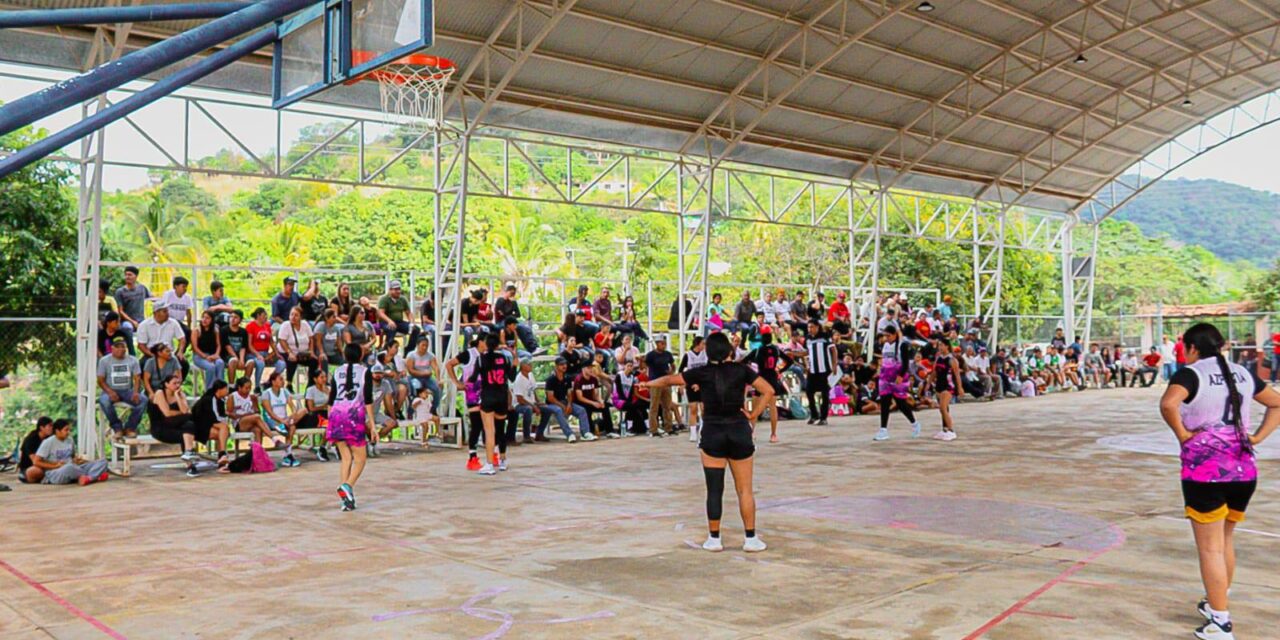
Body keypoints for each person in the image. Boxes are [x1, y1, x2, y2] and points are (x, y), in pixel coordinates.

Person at [1158, 323, 1280, 640]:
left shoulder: (1191, 374)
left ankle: (1221, 622)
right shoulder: (1242, 373)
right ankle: (1217, 603)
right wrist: (1257, 437)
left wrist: (1184, 434)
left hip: (1206, 472)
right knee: (1224, 539)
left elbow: (1169, 404)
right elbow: (1276, 403)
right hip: (1243, 469)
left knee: (1210, 548)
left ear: (1191, 347)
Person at [644, 332, 774, 553]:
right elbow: (768, 391)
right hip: (739, 431)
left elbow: (668, 380)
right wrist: (753, 415)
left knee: (714, 489)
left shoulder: (701, 373)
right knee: (745, 490)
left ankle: (714, 538)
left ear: (708, 352)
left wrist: (647, 383)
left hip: (713, 432)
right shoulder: (742, 370)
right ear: (729, 351)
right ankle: (750, 538)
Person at [329, 343, 375, 511]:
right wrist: (372, 424)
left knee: (346, 458)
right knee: (361, 459)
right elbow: (368, 399)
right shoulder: (364, 372)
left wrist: (330, 420)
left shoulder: (337, 371)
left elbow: (331, 398)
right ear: (360, 355)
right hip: (353, 416)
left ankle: (346, 500)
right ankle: (347, 486)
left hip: (336, 414)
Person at [474, 333, 516, 475]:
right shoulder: (503, 358)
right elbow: (512, 377)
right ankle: (503, 460)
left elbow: (473, 377)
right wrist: (515, 361)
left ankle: (490, 463)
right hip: (502, 396)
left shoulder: (481, 359)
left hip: (488, 397)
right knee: (500, 429)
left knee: (489, 432)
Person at [147, 373, 204, 477]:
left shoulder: (180, 394)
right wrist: (183, 413)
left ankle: (190, 463)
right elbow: (167, 413)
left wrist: (178, 396)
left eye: (179, 383)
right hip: (160, 429)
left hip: (175, 426)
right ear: (166, 384)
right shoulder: (160, 393)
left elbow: (184, 410)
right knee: (190, 419)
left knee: (189, 427)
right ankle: (190, 455)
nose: (177, 385)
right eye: (174, 383)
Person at [874, 322, 923, 441]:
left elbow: (905, 363)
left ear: (894, 335)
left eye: (888, 335)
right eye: (885, 336)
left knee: (901, 403)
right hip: (885, 377)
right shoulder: (884, 346)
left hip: (897, 376)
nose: (886, 338)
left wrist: (901, 375)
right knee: (885, 402)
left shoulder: (902, 345)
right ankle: (883, 429)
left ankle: (914, 423)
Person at [29, 419, 109, 486]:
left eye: (69, 430)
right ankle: (95, 476)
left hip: (74, 468)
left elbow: (72, 457)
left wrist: (77, 460)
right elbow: (36, 461)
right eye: (66, 430)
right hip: (56, 472)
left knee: (103, 462)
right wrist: (54, 466)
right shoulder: (48, 442)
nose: (68, 432)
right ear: (57, 431)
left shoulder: (70, 440)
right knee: (69, 467)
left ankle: (89, 478)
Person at [747, 327, 792, 443]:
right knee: (773, 407)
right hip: (772, 379)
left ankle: (751, 432)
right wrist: (780, 370)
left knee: (756, 407)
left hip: (760, 379)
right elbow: (789, 361)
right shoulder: (776, 350)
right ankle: (773, 434)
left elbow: (744, 361)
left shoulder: (758, 350)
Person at [97, 337, 147, 438]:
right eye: (117, 347)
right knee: (104, 401)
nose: (120, 349)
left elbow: (137, 378)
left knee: (143, 400)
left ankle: (130, 427)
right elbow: (100, 380)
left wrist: (136, 392)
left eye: (123, 347)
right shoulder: (104, 361)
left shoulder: (133, 360)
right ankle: (117, 428)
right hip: (110, 389)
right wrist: (110, 392)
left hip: (127, 390)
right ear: (112, 348)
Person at [537, 356, 592, 442]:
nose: (564, 366)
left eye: (565, 364)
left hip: (565, 402)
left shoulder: (567, 378)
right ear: (556, 366)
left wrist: (569, 404)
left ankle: (585, 433)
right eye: (561, 364)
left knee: (581, 410)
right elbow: (550, 398)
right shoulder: (551, 379)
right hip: (552, 404)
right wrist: (562, 406)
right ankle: (569, 434)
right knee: (559, 410)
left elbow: (569, 393)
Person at [260, 371, 305, 467]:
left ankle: (287, 455)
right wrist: (281, 420)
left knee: (301, 413)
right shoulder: (266, 394)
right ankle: (288, 455)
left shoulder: (285, 391)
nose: (282, 381)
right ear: (273, 381)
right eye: (280, 379)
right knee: (289, 427)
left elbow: (291, 406)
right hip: (272, 421)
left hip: (284, 420)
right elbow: (270, 413)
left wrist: (293, 414)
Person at [135, 300, 188, 379]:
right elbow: (141, 345)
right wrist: (153, 355)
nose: (167, 313)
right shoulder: (144, 325)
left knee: (184, 364)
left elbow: (182, 339)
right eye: (164, 311)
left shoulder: (173, 322)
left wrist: (180, 351)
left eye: (167, 311)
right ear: (156, 313)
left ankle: (175, 386)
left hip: (169, 353)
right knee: (142, 365)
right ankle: (149, 388)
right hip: (151, 353)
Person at [191, 380, 233, 471]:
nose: (227, 391)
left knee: (222, 433)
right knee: (224, 428)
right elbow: (214, 417)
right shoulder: (209, 399)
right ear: (219, 390)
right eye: (225, 389)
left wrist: (226, 416)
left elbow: (221, 416)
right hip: (198, 426)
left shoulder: (220, 400)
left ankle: (221, 462)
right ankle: (222, 454)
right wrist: (227, 417)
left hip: (208, 425)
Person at [226, 377, 279, 447]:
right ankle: (274, 439)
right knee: (256, 417)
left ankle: (257, 453)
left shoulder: (251, 397)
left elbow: (257, 412)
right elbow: (229, 413)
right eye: (246, 388)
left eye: (250, 388)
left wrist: (254, 403)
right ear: (239, 387)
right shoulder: (232, 396)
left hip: (252, 423)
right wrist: (246, 415)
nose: (248, 390)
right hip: (239, 424)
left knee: (258, 430)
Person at [644, 335, 680, 437]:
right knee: (654, 406)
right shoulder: (651, 355)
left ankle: (668, 427)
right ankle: (653, 429)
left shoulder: (667, 354)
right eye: (661, 343)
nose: (663, 345)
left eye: (664, 343)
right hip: (655, 381)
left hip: (666, 381)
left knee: (667, 405)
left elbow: (673, 365)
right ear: (657, 344)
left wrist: (671, 372)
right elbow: (645, 364)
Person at [927, 338, 962, 441]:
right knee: (944, 409)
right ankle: (944, 429)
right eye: (939, 345)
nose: (940, 347)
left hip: (948, 386)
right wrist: (928, 383)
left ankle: (951, 430)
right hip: (939, 385)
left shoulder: (952, 359)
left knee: (942, 407)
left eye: (942, 345)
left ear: (947, 346)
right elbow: (934, 372)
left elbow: (957, 375)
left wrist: (960, 388)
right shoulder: (938, 358)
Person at [803, 320, 836, 425]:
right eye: (808, 327)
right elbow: (807, 353)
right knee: (809, 391)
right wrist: (806, 364)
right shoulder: (808, 338)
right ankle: (814, 414)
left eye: (812, 327)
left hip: (824, 370)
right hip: (812, 370)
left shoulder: (825, 337)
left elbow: (833, 350)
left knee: (824, 393)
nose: (810, 329)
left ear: (817, 327)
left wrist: (834, 365)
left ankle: (823, 417)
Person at [277, 306, 318, 390]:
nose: (293, 317)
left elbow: (311, 338)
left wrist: (311, 351)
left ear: (301, 317)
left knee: (314, 361)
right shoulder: (285, 325)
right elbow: (282, 340)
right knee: (292, 359)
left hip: (302, 352)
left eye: (296, 315)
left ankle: (311, 384)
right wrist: (289, 352)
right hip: (286, 351)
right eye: (291, 314)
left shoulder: (305, 324)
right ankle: (289, 384)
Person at [494, 285, 541, 354]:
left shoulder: (513, 302)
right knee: (518, 326)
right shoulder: (500, 300)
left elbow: (518, 314)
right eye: (511, 293)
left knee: (525, 328)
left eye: (514, 293)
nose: (512, 295)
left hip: (512, 321)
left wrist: (511, 311)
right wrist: (511, 315)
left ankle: (533, 348)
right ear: (506, 292)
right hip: (502, 321)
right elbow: (501, 313)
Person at [574, 362, 615, 440]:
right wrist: (593, 403)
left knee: (605, 407)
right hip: (581, 402)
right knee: (586, 409)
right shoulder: (579, 379)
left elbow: (595, 394)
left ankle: (610, 431)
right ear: (583, 369)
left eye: (591, 368)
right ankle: (589, 431)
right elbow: (580, 398)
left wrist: (600, 401)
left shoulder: (593, 379)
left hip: (591, 401)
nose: (590, 370)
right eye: (588, 368)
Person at [298, 369, 333, 461]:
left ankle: (327, 446)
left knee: (336, 421)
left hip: (328, 413)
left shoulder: (329, 389)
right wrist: (324, 406)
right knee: (329, 424)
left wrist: (328, 394)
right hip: (316, 415)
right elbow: (311, 408)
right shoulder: (311, 390)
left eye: (325, 377)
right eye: (321, 377)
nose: (324, 379)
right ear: (315, 379)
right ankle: (322, 447)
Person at [679, 337, 708, 442]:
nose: (704, 346)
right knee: (693, 408)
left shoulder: (706, 354)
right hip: (691, 384)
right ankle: (693, 432)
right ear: (697, 344)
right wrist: (682, 384)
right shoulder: (688, 355)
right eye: (703, 344)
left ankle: (703, 429)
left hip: (703, 384)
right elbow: (681, 370)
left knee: (704, 409)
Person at [404, 337, 442, 418]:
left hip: (427, 378)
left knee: (437, 388)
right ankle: (411, 410)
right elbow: (410, 370)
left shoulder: (430, 355)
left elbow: (436, 368)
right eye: (423, 345)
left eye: (426, 346)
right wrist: (423, 373)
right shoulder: (411, 355)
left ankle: (433, 408)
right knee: (415, 388)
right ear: (418, 345)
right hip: (414, 377)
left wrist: (438, 379)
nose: (424, 347)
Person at [377, 279, 420, 349]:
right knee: (391, 329)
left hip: (399, 322)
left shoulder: (402, 299)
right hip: (386, 322)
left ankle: (409, 350)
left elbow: (408, 313)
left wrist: (412, 323)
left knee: (416, 329)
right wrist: (389, 321)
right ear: (390, 290)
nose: (398, 291)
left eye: (399, 289)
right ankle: (387, 350)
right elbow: (381, 313)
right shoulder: (384, 299)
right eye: (396, 289)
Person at [190, 310, 226, 391]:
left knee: (220, 363)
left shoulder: (215, 329)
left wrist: (216, 354)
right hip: (199, 356)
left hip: (212, 354)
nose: (204, 320)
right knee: (211, 367)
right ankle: (210, 390)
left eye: (207, 318)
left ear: (212, 320)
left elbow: (218, 345)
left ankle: (221, 388)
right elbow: (195, 348)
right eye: (203, 317)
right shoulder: (196, 331)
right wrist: (205, 356)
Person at [113, 265, 150, 334]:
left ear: (136, 277)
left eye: (130, 275)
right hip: (127, 321)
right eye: (126, 275)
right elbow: (120, 311)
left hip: (141, 320)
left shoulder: (142, 288)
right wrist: (133, 322)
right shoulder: (120, 292)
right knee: (127, 328)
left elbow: (151, 298)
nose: (127, 277)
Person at [510, 361, 541, 443]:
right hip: (519, 404)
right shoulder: (519, 379)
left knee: (547, 409)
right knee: (528, 409)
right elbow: (520, 399)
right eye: (528, 364)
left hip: (531, 402)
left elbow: (533, 389)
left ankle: (540, 433)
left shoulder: (530, 375)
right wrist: (533, 406)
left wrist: (538, 401)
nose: (530, 365)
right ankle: (526, 436)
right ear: (523, 366)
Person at [17, 417, 54, 484]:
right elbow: (35, 461)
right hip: (30, 467)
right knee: (37, 471)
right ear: (41, 428)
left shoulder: (50, 438)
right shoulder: (31, 439)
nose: (52, 428)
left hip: (47, 465)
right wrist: (54, 465)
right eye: (50, 426)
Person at [221, 310, 252, 385]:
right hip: (227, 355)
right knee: (233, 360)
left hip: (240, 355)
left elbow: (243, 347)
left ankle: (244, 385)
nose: (232, 319)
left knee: (251, 362)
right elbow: (227, 346)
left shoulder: (243, 332)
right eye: (231, 317)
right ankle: (231, 385)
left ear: (240, 320)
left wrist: (241, 359)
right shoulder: (224, 330)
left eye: (235, 317)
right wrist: (237, 359)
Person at [313, 308, 346, 373]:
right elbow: (318, 341)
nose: (335, 319)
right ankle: (325, 380)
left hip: (332, 353)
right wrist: (322, 352)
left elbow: (339, 342)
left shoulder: (336, 328)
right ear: (327, 318)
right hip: (322, 353)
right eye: (333, 317)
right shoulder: (321, 326)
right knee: (324, 361)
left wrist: (342, 353)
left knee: (345, 363)